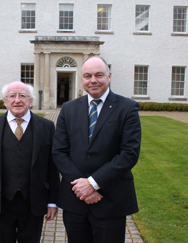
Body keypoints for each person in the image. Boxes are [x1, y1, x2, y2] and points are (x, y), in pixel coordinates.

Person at [52, 56, 141, 243]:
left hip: (110, 200)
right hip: (75, 201)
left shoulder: (127, 108)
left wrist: (93, 183)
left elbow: (129, 154)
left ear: (109, 76)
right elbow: (59, 152)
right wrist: (82, 187)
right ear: (82, 79)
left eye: (99, 75)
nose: (93, 80)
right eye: (87, 76)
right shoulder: (68, 109)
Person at [0, 81, 60, 243]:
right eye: (12, 96)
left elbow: (52, 167)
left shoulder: (47, 127)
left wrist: (52, 201)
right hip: (2, 201)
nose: (17, 100)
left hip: (33, 201)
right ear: (5, 101)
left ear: (31, 101)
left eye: (23, 96)